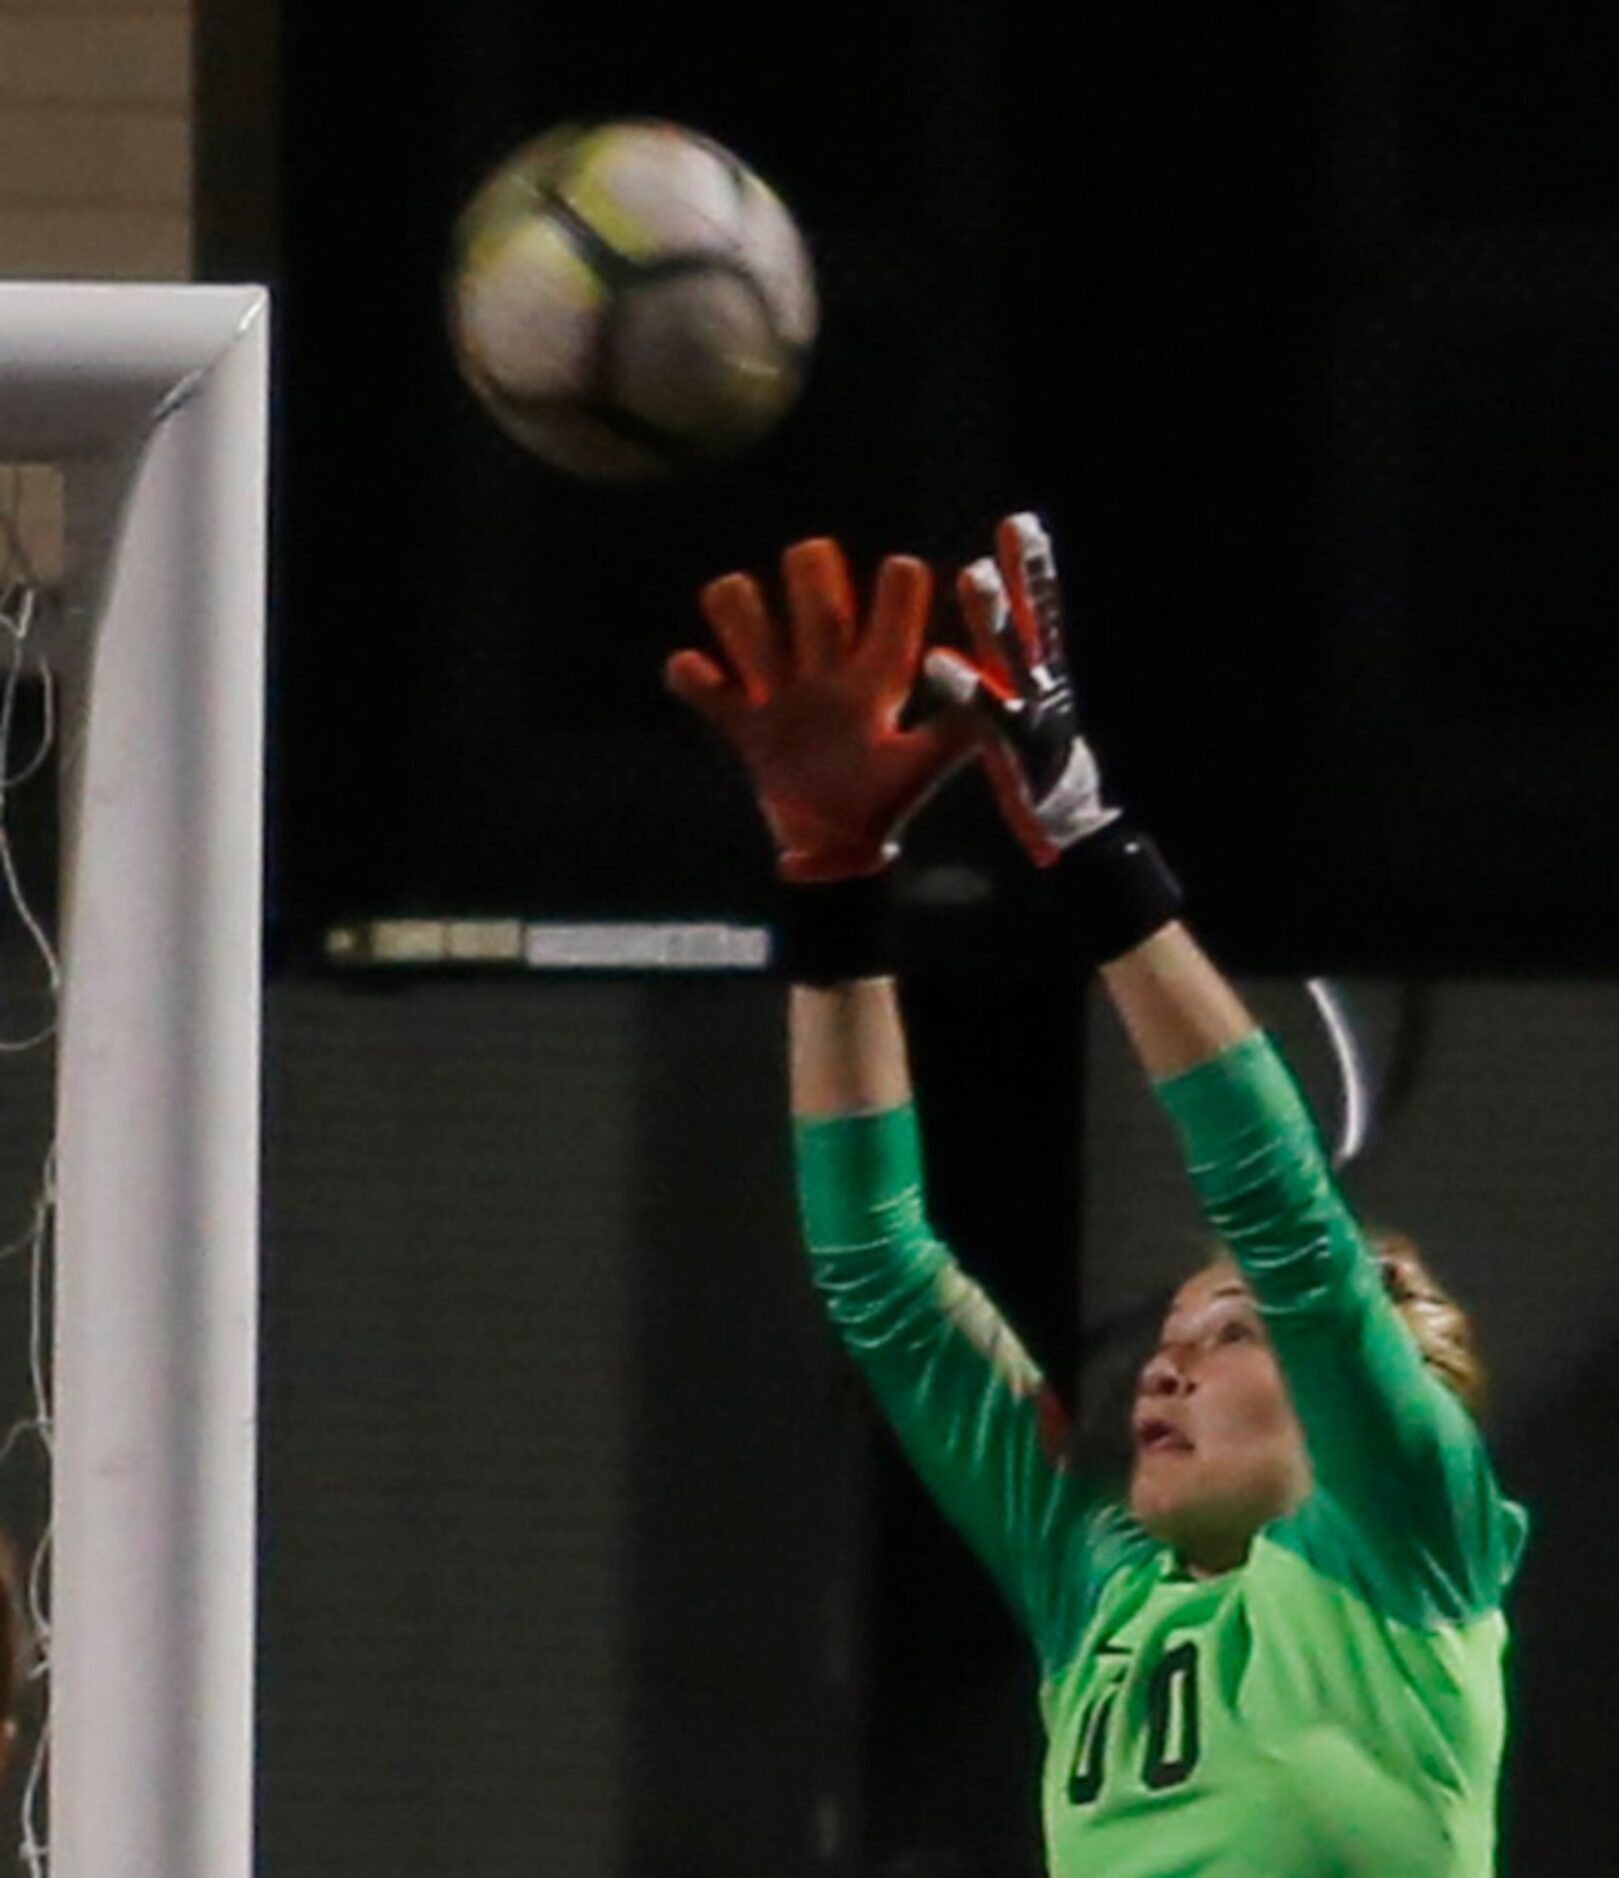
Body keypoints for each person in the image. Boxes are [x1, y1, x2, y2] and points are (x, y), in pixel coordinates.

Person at [665, 516, 1528, 1876]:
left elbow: (1290, 1222)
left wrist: (1086, 837)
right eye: (1175, 1338)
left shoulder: (1409, 1542)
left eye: (1230, 1332)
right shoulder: (1102, 1595)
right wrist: (832, 884)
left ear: (1381, 1385)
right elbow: (879, 1273)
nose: (1164, 1371)